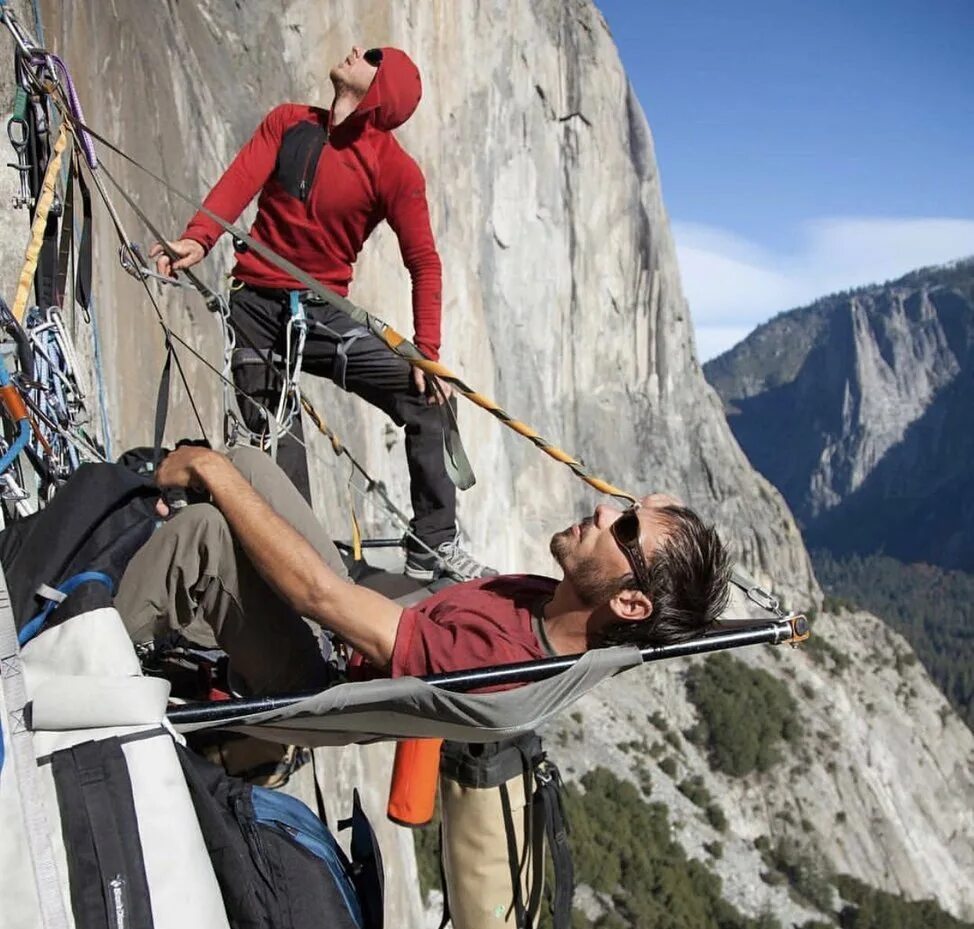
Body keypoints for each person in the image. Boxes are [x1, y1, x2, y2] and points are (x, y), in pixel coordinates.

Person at [150, 44, 491, 582]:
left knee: (427, 399)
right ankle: (300, 564)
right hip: (256, 311)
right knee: (275, 446)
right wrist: (199, 239)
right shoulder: (288, 123)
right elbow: (239, 182)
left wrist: (428, 355)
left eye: (372, 57)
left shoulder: (396, 171)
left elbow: (423, 261)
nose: (356, 51)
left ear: (382, 91)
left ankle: (433, 543)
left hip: (323, 316)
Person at [114, 445, 732, 695]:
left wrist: (210, 476)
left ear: (630, 604)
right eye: (623, 506)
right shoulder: (549, 602)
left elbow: (318, 596)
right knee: (247, 461)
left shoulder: (499, 660)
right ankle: (132, 554)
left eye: (624, 528)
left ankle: (66, 647)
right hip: (352, 622)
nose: (602, 511)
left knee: (205, 531)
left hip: (319, 674)